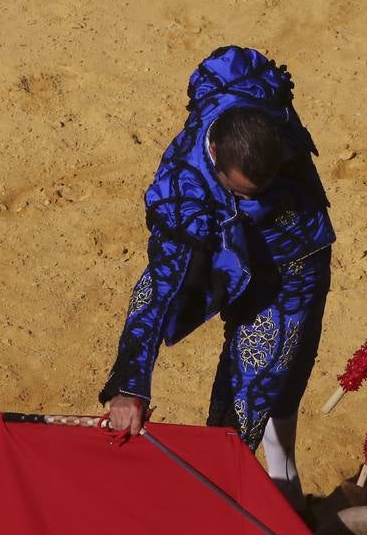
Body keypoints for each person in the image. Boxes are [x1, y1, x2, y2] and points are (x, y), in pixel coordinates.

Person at [100, 46, 334, 511]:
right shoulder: (181, 192)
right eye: (241, 191)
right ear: (213, 151)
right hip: (212, 252)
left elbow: (243, 65)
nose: (255, 199)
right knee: (259, 375)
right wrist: (129, 387)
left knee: (269, 376)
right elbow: (159, 287)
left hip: (293, 258)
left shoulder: (263, 104)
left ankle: (274, 477)